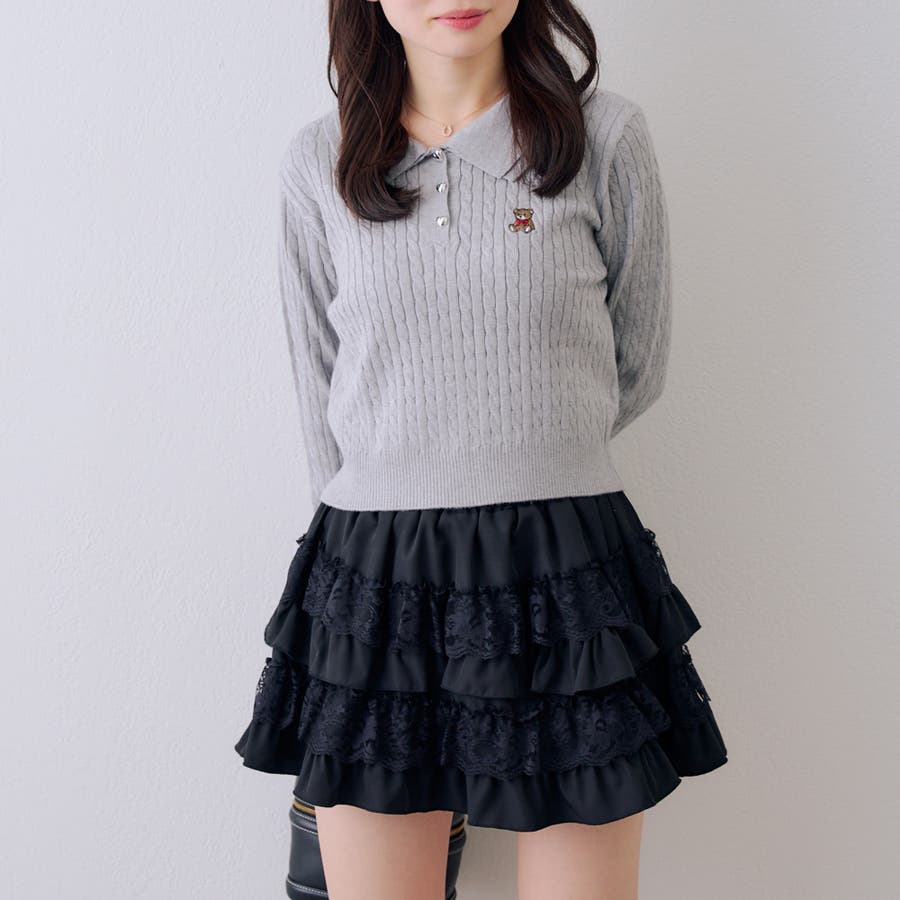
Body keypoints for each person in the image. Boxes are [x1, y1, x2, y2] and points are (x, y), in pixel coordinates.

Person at [234, 0, 729, 896]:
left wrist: (529, 455)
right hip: (377, 582)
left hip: (565, 571)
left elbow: (637, 362)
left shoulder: (604, 137)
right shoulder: (320, 158)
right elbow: (321, 389)